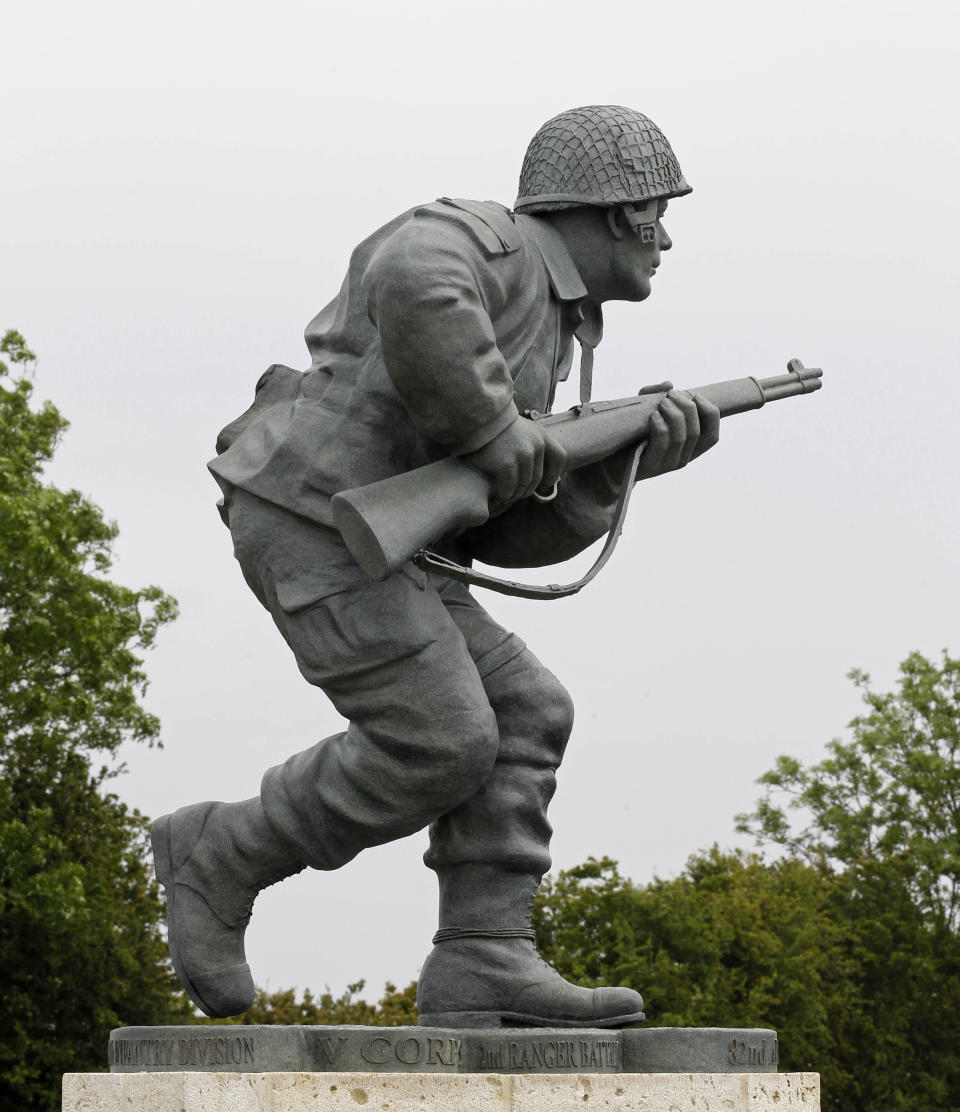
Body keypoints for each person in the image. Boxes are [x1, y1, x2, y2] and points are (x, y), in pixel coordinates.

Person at [152, 104, 720, 1027]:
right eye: (661, 211)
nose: (667, 239)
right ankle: (220, 854)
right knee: (444, 740)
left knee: (527, 711)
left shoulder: (557, 326)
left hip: (390, 541)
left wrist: (616, 465)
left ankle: (483, 956)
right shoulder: (488, 242)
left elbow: (500, 534)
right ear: (620, 213)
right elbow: (415, 278)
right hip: (315, 516)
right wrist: (499, 430)